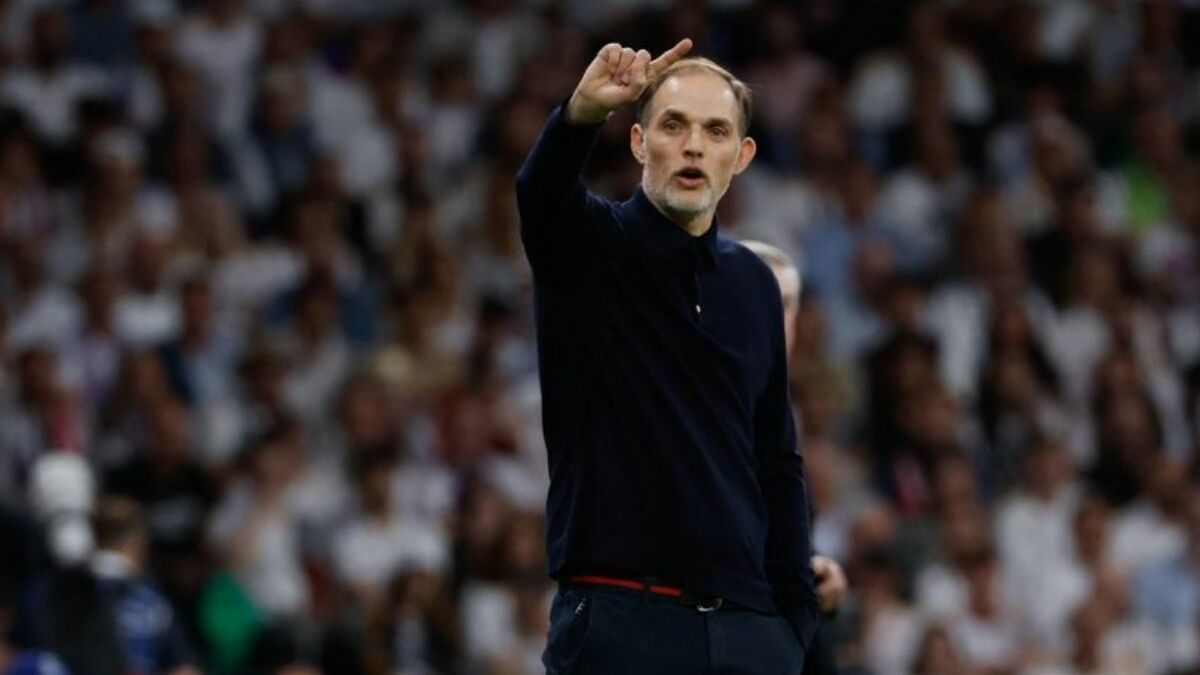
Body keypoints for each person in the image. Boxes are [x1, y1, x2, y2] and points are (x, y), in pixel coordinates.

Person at [516, 39, 819, 673]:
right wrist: (580, 116)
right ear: (638, 142)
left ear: (741, 157)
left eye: (715, 131)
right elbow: (540, 194)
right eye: (673, 125)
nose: (693, 147)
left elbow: (777, 460)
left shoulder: (754, 284)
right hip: (620, 618)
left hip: (748, 633)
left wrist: (794, 624)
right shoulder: (588, 246)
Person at [744, 239, 847, 675]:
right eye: (760, 299)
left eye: (785, 304)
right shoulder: (699, 397)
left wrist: (817, 566)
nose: (774, 316)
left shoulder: (783, 404)